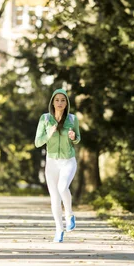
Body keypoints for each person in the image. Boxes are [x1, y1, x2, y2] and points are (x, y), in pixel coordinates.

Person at [34, 88, 81, 242]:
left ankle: (69, 214)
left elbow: (78, 139)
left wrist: (74, 137)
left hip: (68, 161)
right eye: (57, 100)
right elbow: (37, 142)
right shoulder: (45, 119)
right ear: (52, 102)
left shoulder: (73, 119)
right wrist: (49, 133)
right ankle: (59, 230)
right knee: (54, 197)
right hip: (52, 162)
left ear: (67, 102)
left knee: (62, 187)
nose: (60, 103)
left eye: (63, 100)